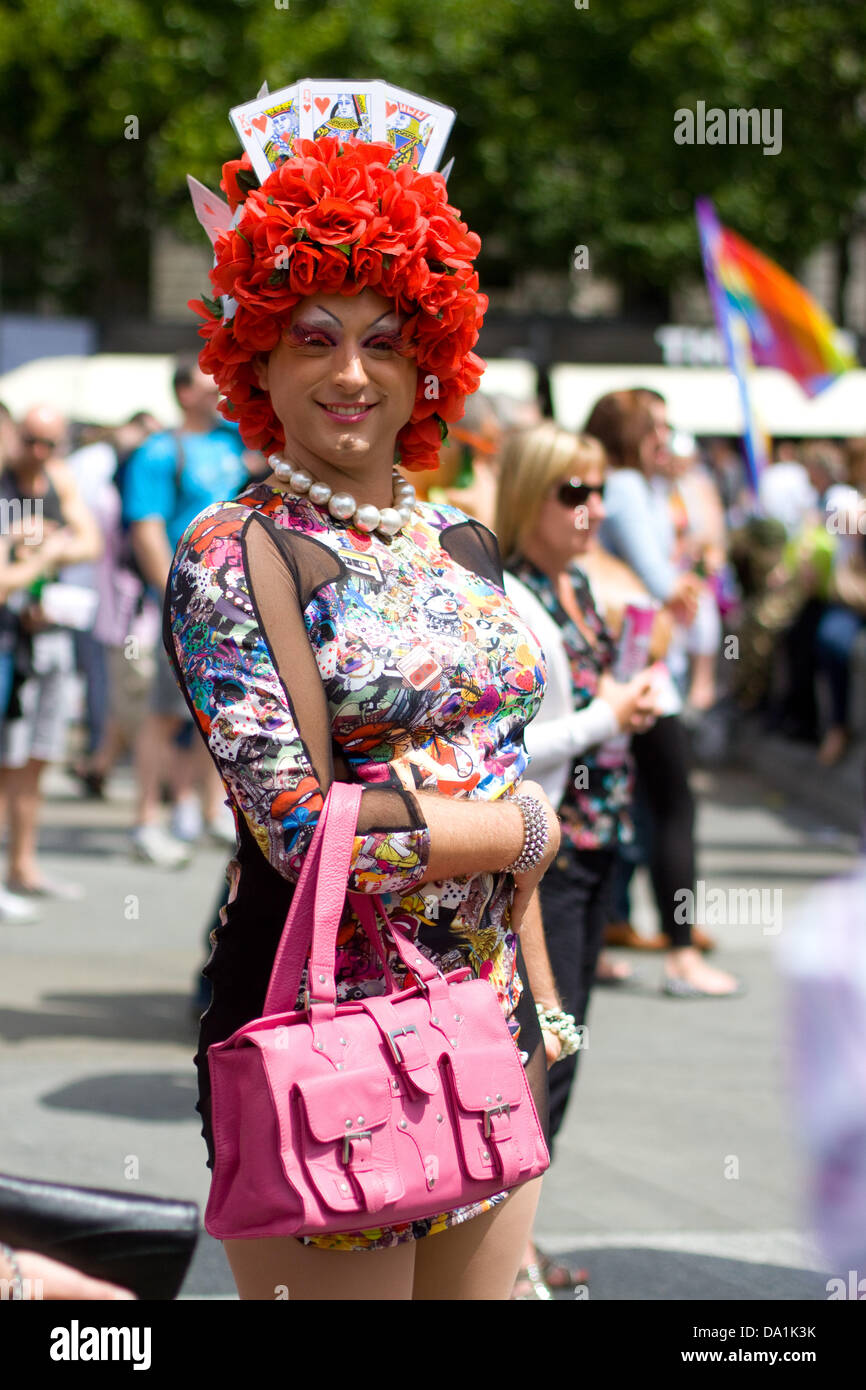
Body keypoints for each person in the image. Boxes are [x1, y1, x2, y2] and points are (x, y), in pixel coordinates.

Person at [165, 129, 566, 1301]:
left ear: (428, 358)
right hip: (320, 1028)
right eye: (314, 339)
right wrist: (521, 829)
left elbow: (502, 754)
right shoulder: (232, 552)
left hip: (482, 1011)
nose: (352, 373)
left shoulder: (462, 545)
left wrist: (538, 995)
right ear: (256, 358)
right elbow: (300, 824)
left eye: (386, 343)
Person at [498, 424, 659, 1296]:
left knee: (564, 1043)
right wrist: (608, 717)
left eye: (598, 491)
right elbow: (510, 749)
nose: (591, 510)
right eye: (572, 492)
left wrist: (635, 697)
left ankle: (517, 1237)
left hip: (599, 837)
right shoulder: (513, 599)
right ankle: (506, 1247)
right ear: (529, 496)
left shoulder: (579, 589)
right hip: (545, 847)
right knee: (537, 1046)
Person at [586, 389, 739, 995]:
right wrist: (685, 583)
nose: (667, 437)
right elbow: (658, 581)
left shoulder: (635, 484)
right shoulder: (624, 486)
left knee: (608, 803)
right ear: (631, 431)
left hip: (633, 663)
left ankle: (600, 943)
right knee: (671, 806)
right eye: (657, 426)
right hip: (639, 667)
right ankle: (681, 953)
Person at [122, 361, 249, 866]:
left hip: (231, 599)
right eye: (206, 382)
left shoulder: (232, 443)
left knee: (216, 707)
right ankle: (145, 820)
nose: (219, 388)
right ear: (181, 392)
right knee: (161, 712)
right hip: (183, 600)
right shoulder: (158, 451)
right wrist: (172, 596)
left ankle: (205, 809)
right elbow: (146, 528)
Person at [0, 405, 102, 899]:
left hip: (49, 637)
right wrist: (42, 550)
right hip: (8, 642)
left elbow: (90, 543)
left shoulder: (57, 480)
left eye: (49, 443)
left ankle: (22, 866)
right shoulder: (4, 486)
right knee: (7, 760)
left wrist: (46, 548)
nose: (38, 452)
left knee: (36, 760)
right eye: (31, 440)